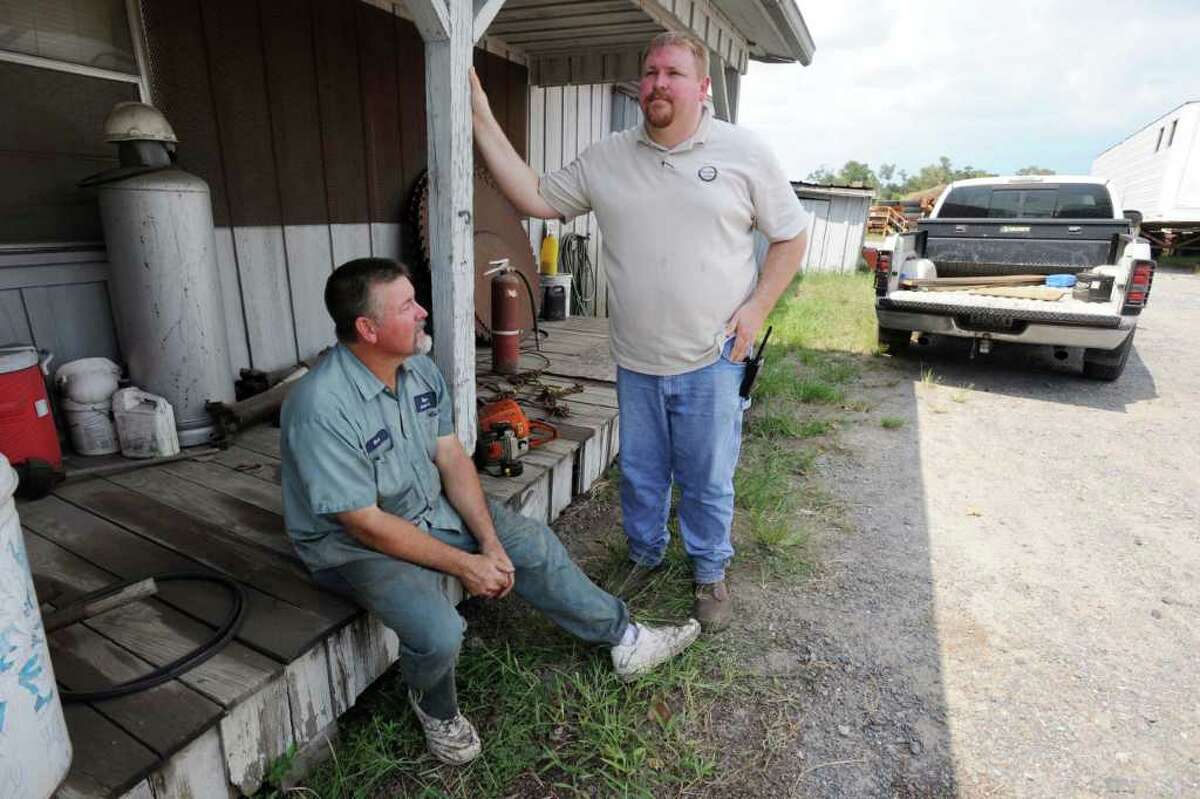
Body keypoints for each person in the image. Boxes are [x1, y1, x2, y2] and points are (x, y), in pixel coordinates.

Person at [279, 258, 700, 766]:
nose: (422, 312)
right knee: (439, 632)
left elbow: (451, 457)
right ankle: (435, 708)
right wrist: (466, 564)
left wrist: (491, 542)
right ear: (368, 329)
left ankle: (624, 638)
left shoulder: (418, 369)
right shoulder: (320, 406)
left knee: (531, 544)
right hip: (352, 545)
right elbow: (364, 523)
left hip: (425, 508)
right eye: (407, 306)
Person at [471, 32, 810, 630]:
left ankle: (709, 570)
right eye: (650, 72)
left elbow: (791, 235)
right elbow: (534, 196)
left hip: (714, 356)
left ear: (702, 88)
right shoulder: (607, 158)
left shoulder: (744, 152)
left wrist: (757, 308)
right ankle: (644, 554)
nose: (658, 83)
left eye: (673, 73)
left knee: (707, 478)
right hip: (636, 358)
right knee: (641, 472)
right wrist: (479, 113)